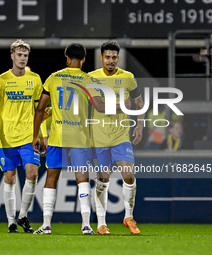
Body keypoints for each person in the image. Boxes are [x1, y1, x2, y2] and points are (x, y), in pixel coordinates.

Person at [32, 43, 102, 235]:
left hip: (57, 136)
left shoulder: (54, 78)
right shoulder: (88, 80)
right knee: (82, 178)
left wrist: (35, 134)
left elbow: (40, 109)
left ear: (67, 58)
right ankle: (86, 225)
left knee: (51, 178)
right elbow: (99, 107)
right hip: (80, 137)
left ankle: (46, 225)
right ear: (84, 60)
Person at [0, 39, 47, 233]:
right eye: (19, 55)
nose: (22, 58)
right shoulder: (1, 80)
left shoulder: (35, 79)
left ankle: (23, 216)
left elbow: (41, 110)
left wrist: (43, 134)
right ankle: (11, 221)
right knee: (10, 178)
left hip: (28, 136)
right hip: (6, 136)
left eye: (25, 55)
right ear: (12, 56)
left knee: (32, 174)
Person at [89, 41, 144, 235]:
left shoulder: (128, 78)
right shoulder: (93, 78)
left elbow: (139, 102)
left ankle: (128, 216)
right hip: (99, 136)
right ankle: (101, 224)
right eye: (107, 57)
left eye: (114, 57)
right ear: (101, 58)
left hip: (121, 134)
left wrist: (140, 125)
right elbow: (98, 106)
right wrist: (124, 105)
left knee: (128, 174)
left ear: (117, 58)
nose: (111, 60)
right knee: (102, 179)